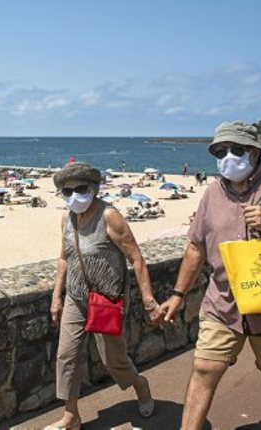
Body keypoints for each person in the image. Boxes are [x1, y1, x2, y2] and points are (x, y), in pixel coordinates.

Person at [159, 121, 261, 430]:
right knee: (204, 369)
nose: (227, 157)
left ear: (255, 152)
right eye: (220, 151)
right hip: (223, 305)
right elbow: (196, 246)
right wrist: (178, 294)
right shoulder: (212, 192)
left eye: (236, 149)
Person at [47, 162, 163, 429]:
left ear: (94, 188)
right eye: (67, 191)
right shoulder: (67, 219)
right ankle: (71, 416)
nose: (74, 195)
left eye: (80, 188)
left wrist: (149, 301)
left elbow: (137, 259)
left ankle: (140, 384)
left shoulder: (109, 216)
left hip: (107, 300)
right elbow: (64, 257)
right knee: (66, 356)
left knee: (113, 359)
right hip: (76, 298)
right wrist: (56, 297)